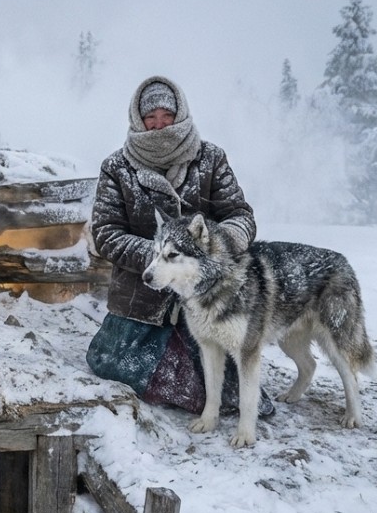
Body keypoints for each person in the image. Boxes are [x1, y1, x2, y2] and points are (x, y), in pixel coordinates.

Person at [86, 75, 274, 418]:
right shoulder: (116, 168)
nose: (159, 124)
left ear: (180, 114)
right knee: (109, 361)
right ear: (137, 119)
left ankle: (215, 390)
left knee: (231, 387)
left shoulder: (210, 159)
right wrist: (163, 259)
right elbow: (107, 234)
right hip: (141, 298)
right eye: (150, 117)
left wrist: (217, 248)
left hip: (208, 295)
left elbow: (240, 215)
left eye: (166, 115)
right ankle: (180, 383)